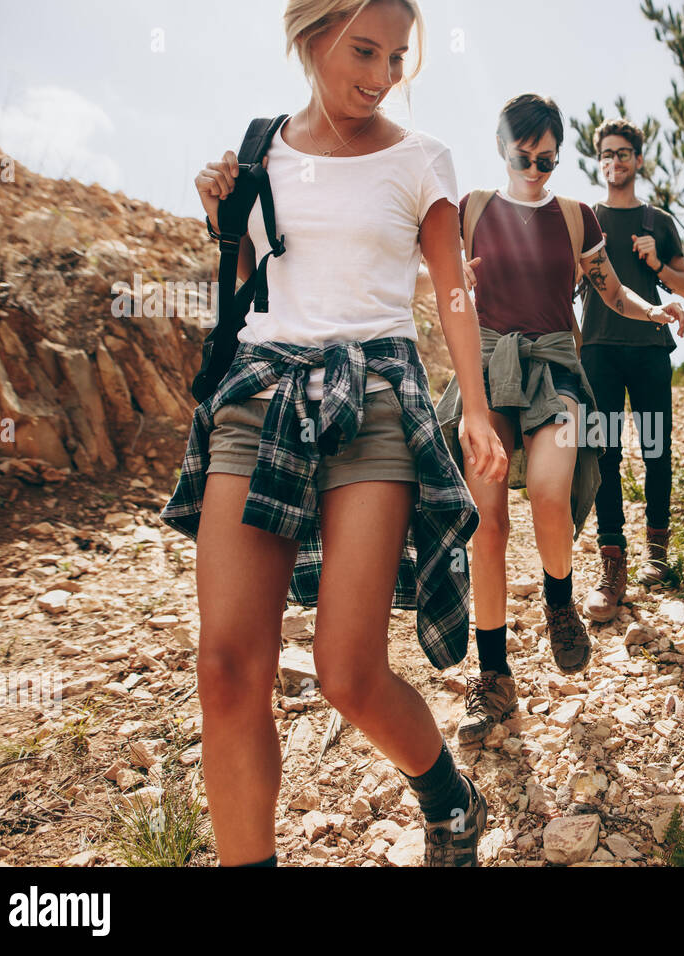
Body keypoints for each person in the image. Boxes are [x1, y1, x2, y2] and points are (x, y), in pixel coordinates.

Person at [160, 0, 508, 867]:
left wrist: (473, 403)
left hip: (376, 391)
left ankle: (448, 794)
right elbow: (250, 284)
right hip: (260, 393)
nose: (382, 74)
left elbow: (452, 289)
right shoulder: (258, 150)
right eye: (364, 50)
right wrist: (221, 221)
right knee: (227, 668)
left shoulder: (423, 159)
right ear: (309, 35)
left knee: (347, 672)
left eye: (396, 57)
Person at [435, 94, 684, 746]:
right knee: (486, 524)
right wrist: (451, 278)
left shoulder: (576, 218)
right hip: (487, 370)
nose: (537, 167)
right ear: (503, 146)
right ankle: (494, 678)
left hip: (558, 372)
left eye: (548, 157)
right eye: (525, 154)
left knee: (551, 492)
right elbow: (428, 277)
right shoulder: (472, 211)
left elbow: (611, 291)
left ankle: (558, 600)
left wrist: (653, 310)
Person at [579, 119, 684, 623]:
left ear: (638, 160)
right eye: (606, 154)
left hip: (649, 348)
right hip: (598, 351)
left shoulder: (658, 220)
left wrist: (656, 266)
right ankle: (612, 562)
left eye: (623, 153)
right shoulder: (585, 219)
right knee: (602, 453)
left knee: (656, 450)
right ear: (598, 161)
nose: (615, 161)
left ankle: (659, 555)